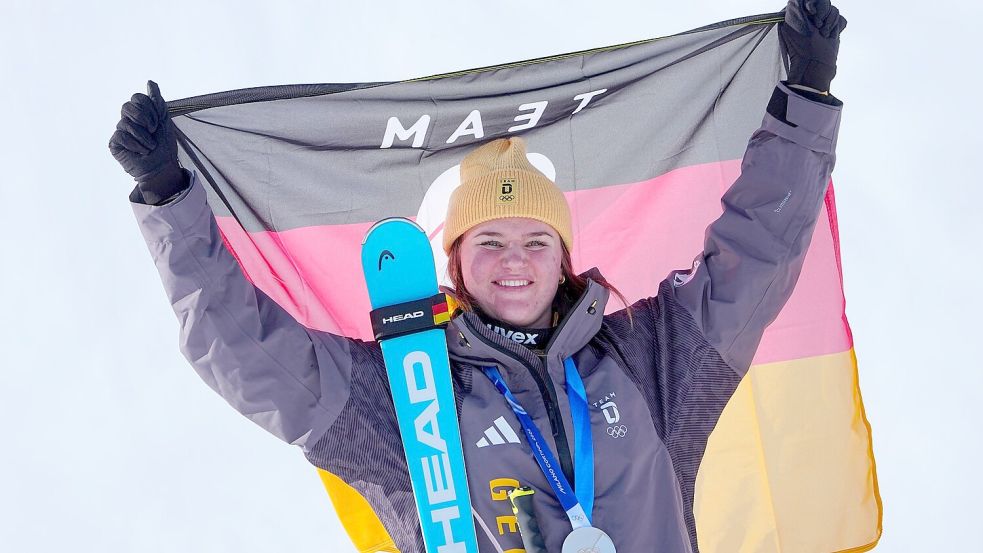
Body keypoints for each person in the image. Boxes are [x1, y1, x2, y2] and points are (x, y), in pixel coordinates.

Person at [109, 1, 847, 551]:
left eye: (535, 238)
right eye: (488, 240)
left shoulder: (650, 361)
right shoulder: (404, 390)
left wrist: (804, 100)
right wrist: (169, 197)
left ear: (564, 257)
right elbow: (249, 353)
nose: (515, 259)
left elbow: (753, 258)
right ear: (454, 260)